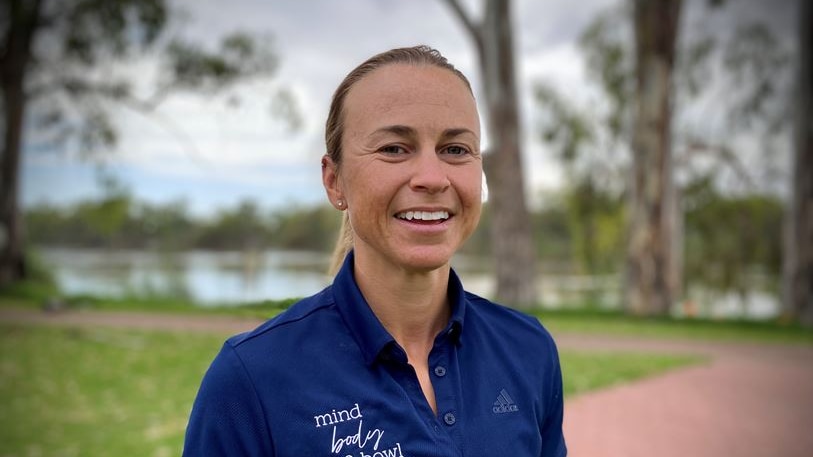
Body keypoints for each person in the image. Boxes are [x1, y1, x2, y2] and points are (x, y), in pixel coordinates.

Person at [182, 45, 567, 457]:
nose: (433, 178)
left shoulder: (528, 349)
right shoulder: (252, 379)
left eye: (455, 149)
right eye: (394, 148)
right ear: (335, 181)